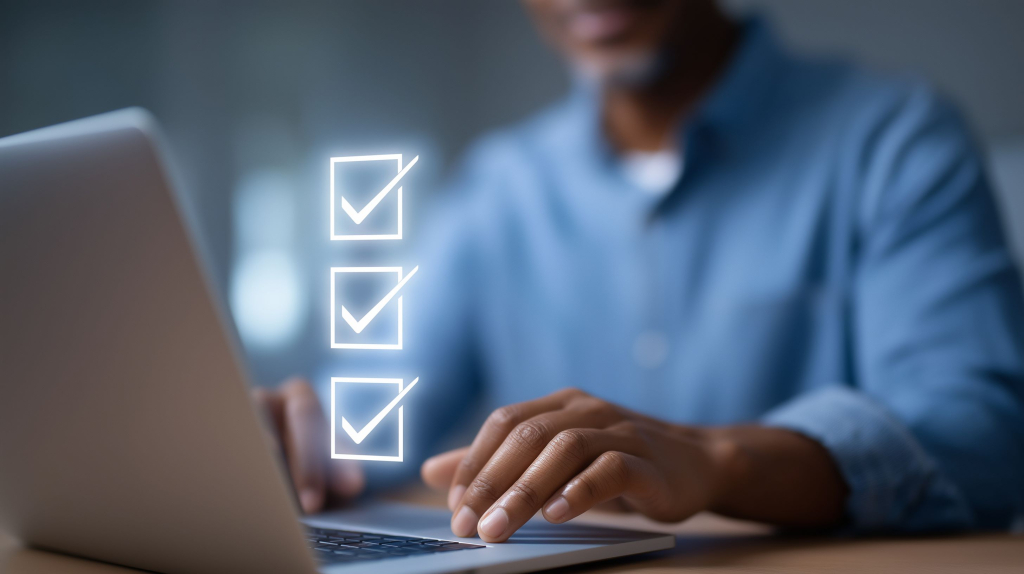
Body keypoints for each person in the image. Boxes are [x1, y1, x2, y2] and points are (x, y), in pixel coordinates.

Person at [254, 0, 1024, 542]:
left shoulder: (894, 142)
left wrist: (718, 463)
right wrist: (292, 441)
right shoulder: (497, 188)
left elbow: (983, 442)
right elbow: (376, 416)